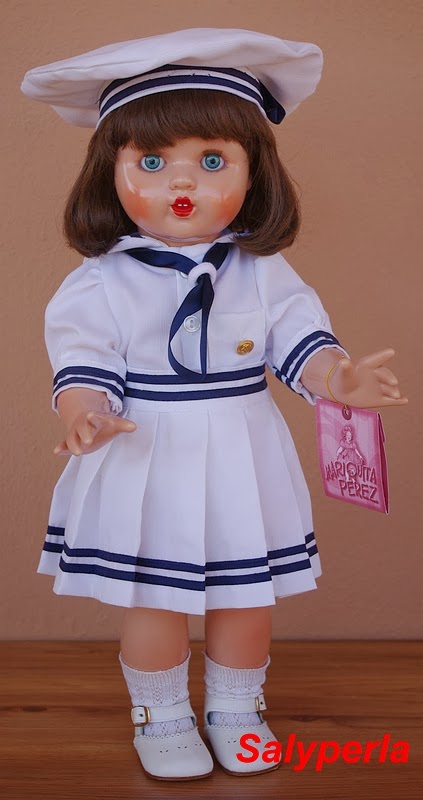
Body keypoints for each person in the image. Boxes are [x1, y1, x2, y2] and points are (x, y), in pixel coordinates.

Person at [21, 28, 407, 781]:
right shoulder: (99, 281)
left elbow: (300, 342)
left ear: (253, 173)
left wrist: (338, 381)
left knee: (246, 594)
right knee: (154, 597)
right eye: (151, 162)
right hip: (143, 446)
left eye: (211, 160)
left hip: (240, 448)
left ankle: (237, 709)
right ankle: (160, 715)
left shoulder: (261, 269)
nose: (180, 181)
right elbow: (83, 359)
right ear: (109, 173)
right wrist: (83, 411)